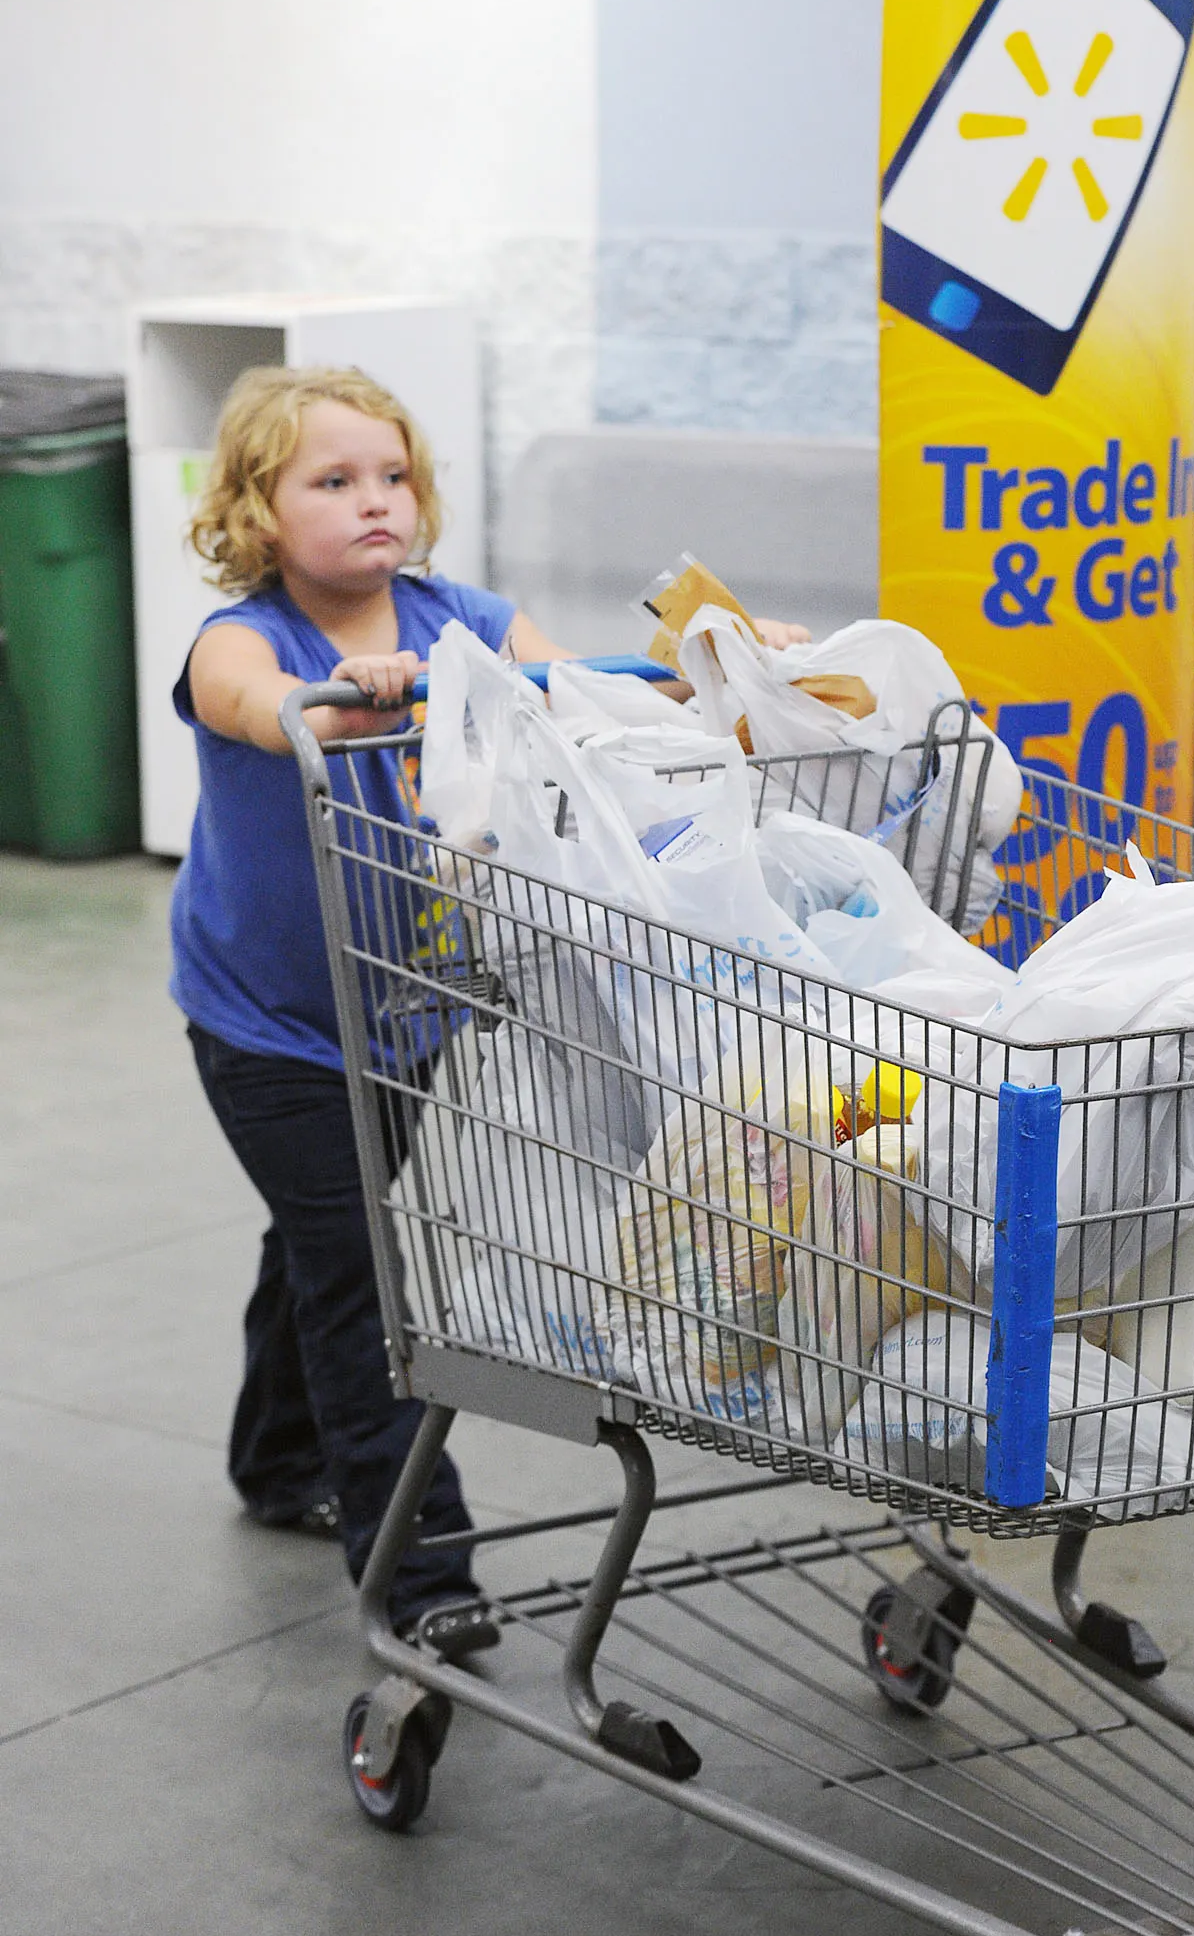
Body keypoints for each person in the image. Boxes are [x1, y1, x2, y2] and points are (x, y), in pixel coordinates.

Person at [173, 363, 805, 1660]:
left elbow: (585, 697)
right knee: (363, 1268)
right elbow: (246, 704)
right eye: (332, 481)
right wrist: (341, 703)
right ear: (256, 506)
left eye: (392, 476)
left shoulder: (464, 618)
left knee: (325, 1233)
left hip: (406, 1010)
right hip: (270, 1026)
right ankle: (420, 1577)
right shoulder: (246, 638)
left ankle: (277, 1452)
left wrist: (722, 673)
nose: (374, 503)